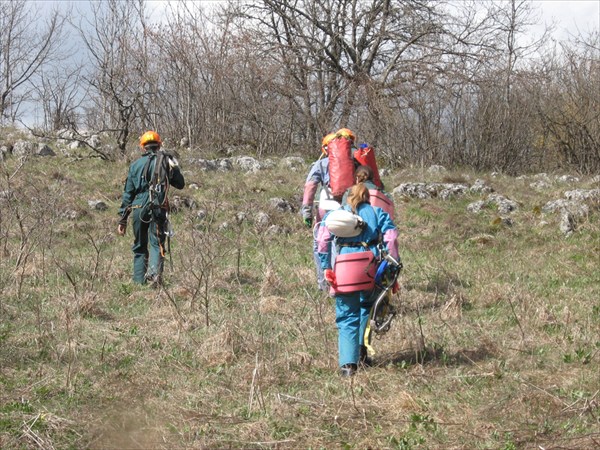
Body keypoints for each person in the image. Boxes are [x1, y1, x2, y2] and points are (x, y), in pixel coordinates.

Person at [316, 182, 399, 377]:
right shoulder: (377, 212)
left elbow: (321, 240)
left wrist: (326, 266)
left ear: (347, 197)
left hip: (344, 269)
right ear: (367, 197)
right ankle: (361, 352)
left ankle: (348, 366)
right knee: (366, 307)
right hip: (370, 268)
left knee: (346, 316)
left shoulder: (335, 214)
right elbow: (392, 237)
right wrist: (393, 265)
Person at [117, 130, 185, 285]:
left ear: (143, 147)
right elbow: (180, 184)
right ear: (159, 144)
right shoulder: (166, 161)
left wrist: (122, 219)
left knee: (139, 245)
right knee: (156, 243)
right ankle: (155, 276)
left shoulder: (135, 165)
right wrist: (174, 167)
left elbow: (128, 193)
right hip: (158, 207)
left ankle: (138, 282)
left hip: (138, 207)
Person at [301, 129, 357, 290]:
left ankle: (325, 284)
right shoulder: (356, 162)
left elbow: (310, 187)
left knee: (320, 244)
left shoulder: (320, 164)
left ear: (326, 148)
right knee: (344, 244)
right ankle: (348, 281)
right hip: (350, 208)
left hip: (326, 208)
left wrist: (306, 212)